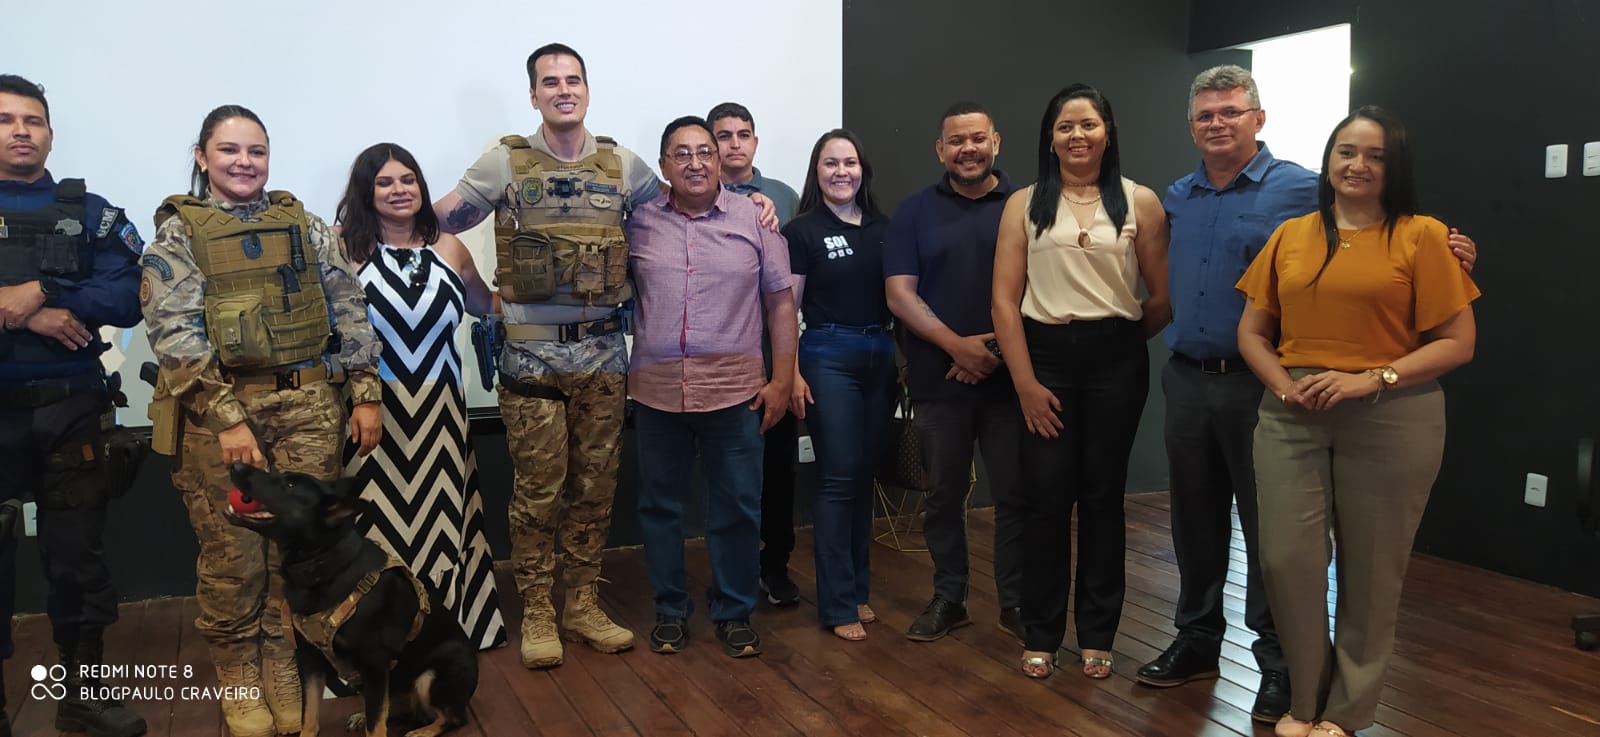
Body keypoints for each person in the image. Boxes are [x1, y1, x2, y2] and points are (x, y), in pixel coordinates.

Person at [1141, 65, 1478, 724]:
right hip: (1204, 379)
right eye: (1206, 114)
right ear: (1191, 125)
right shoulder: (1176, 197)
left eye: (1232, 111)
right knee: (1219, 530)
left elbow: (1428, 292)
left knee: (1318, 553)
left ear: (1259, 118)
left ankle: (1286, 673)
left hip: (1291, 390)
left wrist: (1454, 250)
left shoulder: (1301, 189)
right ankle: (1203, 642)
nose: (1218, 123)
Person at [1236, 106, 1478, 737]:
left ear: (1395, 167)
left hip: (1391, 414)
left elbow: (1457, 342)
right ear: (1328, 160)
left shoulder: (1424, 236)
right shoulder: (1291, 235)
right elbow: (1253, 332)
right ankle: (1305, 700)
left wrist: (1372, 379)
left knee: (1372, 571)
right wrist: (1284, 386)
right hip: (1292, 412)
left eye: (1375, 155)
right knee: (1285, 559)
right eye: (1347, 151)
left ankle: (1345, 714)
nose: (1358, 165)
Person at [142, 104, 383, 737]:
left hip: (309, 408)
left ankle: (283, 663)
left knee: (295, 554)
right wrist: (227, 419)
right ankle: (239, 676)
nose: (244, 162)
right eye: (229, 150)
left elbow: (348, 306)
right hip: (220, 418)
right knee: (234, 558)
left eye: (256, 151)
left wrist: (365, 391)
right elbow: (175, 335)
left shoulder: (304, 225)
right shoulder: (178, 236)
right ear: (202, 158)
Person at [431, 42, 660, 669]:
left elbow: (678, 214)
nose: (564, 90)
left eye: (573, 80)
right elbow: (435, 221)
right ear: (533, 95)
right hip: (530, 360)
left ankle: (581, 604)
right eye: (550, 82)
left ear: (587, 90)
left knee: (595, 488)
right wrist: (474, 289)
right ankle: (537, 608)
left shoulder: (623, 166)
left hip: (604, 355)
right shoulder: (505, 163)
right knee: (538, 491)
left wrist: (751, 198)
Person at [990, 84, 1170, 680]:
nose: (1077, 136)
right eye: (1065, 126)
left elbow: (1160, 298)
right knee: (1045, 498)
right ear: (1050, 137)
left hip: (1117, 362)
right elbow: (1004, 300)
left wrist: (1118, 344)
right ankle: (1041, 632)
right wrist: (1024, 382)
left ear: (1107, 132)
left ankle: (1097, 634)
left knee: (1102, 498)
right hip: (1044, 360)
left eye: (1088, 124)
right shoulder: (1024, 204)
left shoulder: (1140, 202)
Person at [0, 73, 146, 737]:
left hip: (70, 409)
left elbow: (129, 294)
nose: (21, 131)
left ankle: (82, 695)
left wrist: (48, 291)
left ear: (51, 135)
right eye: (7, 120)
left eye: (33, 120)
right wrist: (26, 314)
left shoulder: (91, 212)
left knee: (77, 560)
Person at [627, 115, 796, 659]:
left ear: (720, 160)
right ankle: (670, 610)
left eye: (705, 152)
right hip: (657, 393)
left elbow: (781, 303)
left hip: (736, 393)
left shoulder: (756, 218)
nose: (695, 163)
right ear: (663, 166)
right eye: (682, 154)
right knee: (660, 509)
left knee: (737, 508)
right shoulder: (637, 221)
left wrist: (782, 379)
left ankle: (734, 611)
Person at [336, 143, 506, 649]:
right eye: (385, 182)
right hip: (371, 410)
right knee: (372, 523)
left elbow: (487, 305)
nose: (399, 190)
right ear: (366, 191)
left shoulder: (450, 248)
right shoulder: (343, 248)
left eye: (408, 179)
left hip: (443, 412)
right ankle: (374, 640)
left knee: (445, 520)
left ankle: (447, 631)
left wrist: (546, 291)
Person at [884, 101, 1027, 644]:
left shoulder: (1024, 207)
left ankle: (1015, 603)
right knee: (944, 496)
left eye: (977, 138)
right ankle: (950, 597)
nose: (968, 149)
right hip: (937, 380)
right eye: (956, 141)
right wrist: (958, 349)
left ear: (996, 142)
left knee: (1015, 495)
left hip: (1012, 381)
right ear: (940, 150)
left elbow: (1042, 289)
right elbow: (900, 295)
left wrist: (989, 351)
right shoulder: (913, 212)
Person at [784, 129, 894, 640]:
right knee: (837, 476)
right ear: (817, 171)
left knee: (863, 477)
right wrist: (790, 372)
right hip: (827, 355)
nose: (841, 172)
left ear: (862, 169)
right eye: (831, 163)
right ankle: (837, 604)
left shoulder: (884, 228)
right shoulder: (802, 231)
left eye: (850, 162)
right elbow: (786, 308)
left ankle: (857, 590)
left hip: (880, 354)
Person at [708, 101, 804, 607]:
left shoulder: (784, 198)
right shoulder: (695, 196)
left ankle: (775, 566)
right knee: (728, 478)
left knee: (778, 470)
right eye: (723, 135)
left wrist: (792, 367)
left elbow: (796, 284)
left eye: (743, 134)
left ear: (756, 141)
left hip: (776, 359)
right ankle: (731, 572)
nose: (734, 144)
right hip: (722, 362)